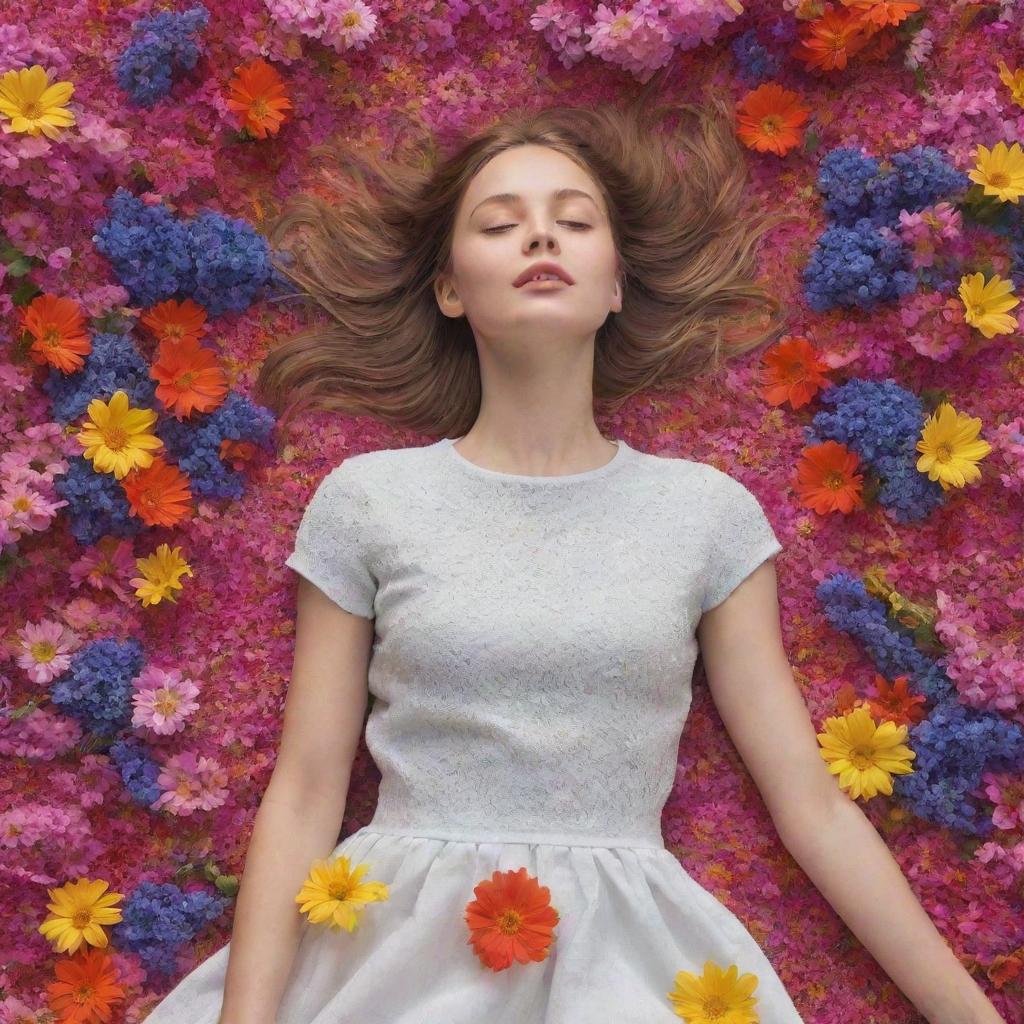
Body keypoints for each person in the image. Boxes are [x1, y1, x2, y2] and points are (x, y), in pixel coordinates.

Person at [139, 87, 1005, 1024]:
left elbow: (814, 807)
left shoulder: (704, 515)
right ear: (449, 288)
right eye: (501, 223)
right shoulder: (368, 499)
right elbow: (306, 790)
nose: (540, 240)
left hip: (625, 957)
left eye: (574, 221)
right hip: (393, 947)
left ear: (618, 282)